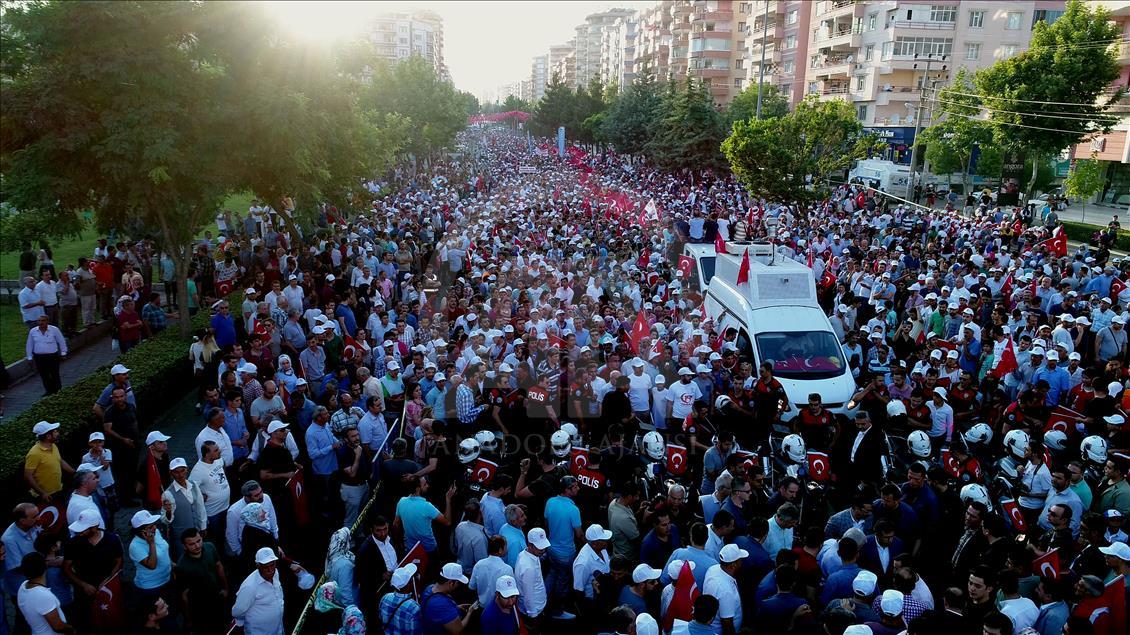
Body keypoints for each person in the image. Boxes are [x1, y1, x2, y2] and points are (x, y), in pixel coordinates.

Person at [174, 528, 228, 634]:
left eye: (199, 541)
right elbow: (184, 595)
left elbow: (219, 566)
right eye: (192, 544)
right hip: (200, 607)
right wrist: (188, 619)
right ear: (185, 546)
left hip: (218, 597)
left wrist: (225, 588)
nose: (197, 546)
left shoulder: (210, 547)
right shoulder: (182, 567)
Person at [17, 552, 75, 635]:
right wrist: (72, 629)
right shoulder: (43, 595)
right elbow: (58, 626)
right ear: (44, 567)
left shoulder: (23, 586)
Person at [232, 547, 285, 635]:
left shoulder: (276, 573)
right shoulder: (249, 587)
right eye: (266, 567)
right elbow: (237, 612)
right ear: (258, 566)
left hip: (278, 628)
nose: (270, 570)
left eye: (272, 565)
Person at [128, 510, 172, 606]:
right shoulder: (135, 546)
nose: (155, 528)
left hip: (167, 579)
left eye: (154, 524)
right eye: (150, 527)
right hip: (151, 587)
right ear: (141, 531)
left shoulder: (155, 532)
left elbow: (164, 550)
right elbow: (152, 565)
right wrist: (151, 543)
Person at [25, 421, 73, 503]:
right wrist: (42, 493)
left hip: (58, 490)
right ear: (48, 436)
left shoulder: (53, 446)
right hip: (45, 497)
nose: (57, 433)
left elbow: (60, 461)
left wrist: (75, 472)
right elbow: (28, 476)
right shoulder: (34, 453)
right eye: (55, 432)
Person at [422, 562, 476, 635]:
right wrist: (470, 612)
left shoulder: (429, 588)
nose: (458, 585)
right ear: (451, 582)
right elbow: (458, 631)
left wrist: (456, 608)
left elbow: (438, 614)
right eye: (458, 583)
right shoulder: (441, 604)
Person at [25, 315, 67, 395]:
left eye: (43, 320)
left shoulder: (54, 330)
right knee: (44, 375)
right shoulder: (33, 331)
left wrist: (63, 353)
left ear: (47, 321)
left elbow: (61, 341)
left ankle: (58, 391)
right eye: (39, 321)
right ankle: (49, 391)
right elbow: (29, 344)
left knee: (54, 374)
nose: (41, 323)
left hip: (52, 356)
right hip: (39, 357)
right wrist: (29, 357)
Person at [380, 564, 423, 635]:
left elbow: (381, 619)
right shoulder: (414, 608)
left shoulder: (385, 598)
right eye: (411, 578)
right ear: (408, 584)